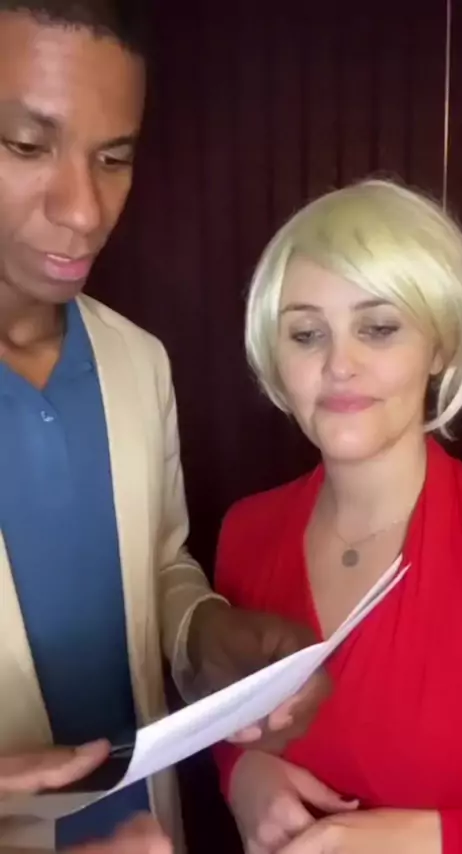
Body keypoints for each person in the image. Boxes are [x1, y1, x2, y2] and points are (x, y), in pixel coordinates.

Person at [0, 2, 330, 852]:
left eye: (114, 158)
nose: (85, 210)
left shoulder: (137, 361)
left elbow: (157, 564)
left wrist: (208, 637)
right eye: (27, 146)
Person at [213, 179, 462, 854]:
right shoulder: (245, 534)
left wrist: (430, 838)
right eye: (307, 334)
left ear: (440, 346)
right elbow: (231, 721)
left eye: (379, 328)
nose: (339, 364)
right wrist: (243, 774)